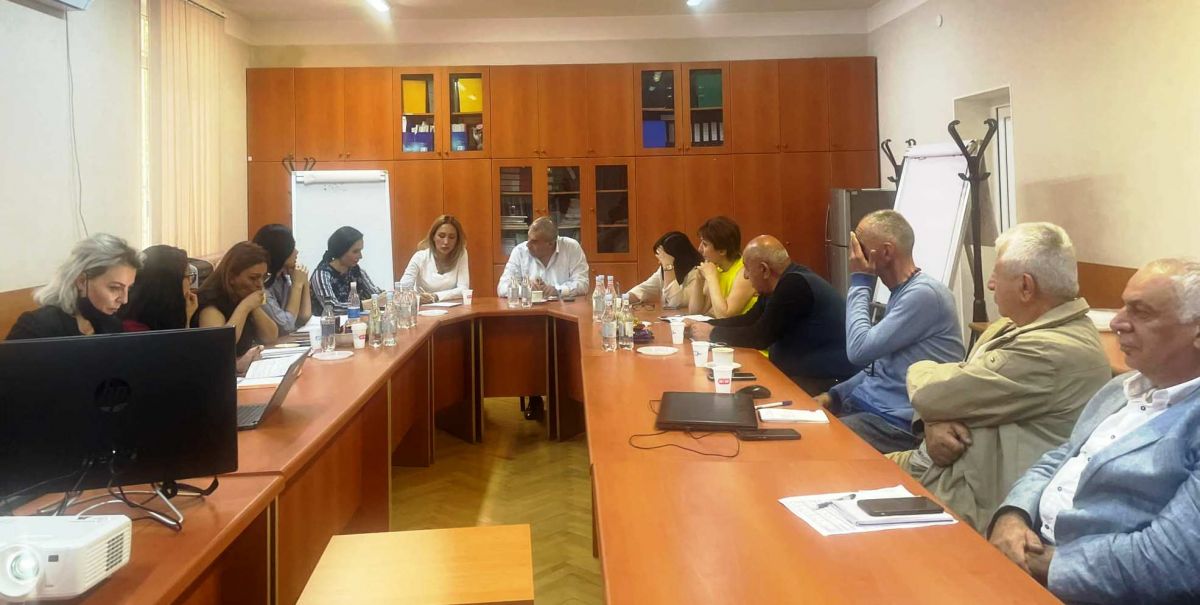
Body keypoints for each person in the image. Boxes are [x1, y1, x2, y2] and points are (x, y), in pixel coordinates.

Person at [987, 258, 1200, 603]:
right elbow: (1062, 457)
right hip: (1029, 556)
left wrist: (1044, 564)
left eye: (1141, 312)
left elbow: (1171, 560)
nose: (1117, 322)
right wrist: (1013, 515)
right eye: (1123, 306)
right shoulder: (1121, 388)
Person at [886, 223, 1111, 532]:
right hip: (946, 472)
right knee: (843, 472)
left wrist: (924, 380)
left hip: (969, 500)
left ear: (1026, 287)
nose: (990, 284)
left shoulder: (1049, 351)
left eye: (997, 274)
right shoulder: (1011, 326)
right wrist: (932, 421)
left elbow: (933, 393)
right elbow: (949, 394)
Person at [815, 210, 964, 453]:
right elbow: (881, 367)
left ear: (886, 252)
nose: (854, 255)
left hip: (893, 424)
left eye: (860, 247)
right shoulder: (901, 293)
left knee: (812, 446)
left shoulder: (925, 295)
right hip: (867, 410)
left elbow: (858, 351)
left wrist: (860, 280)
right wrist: (834, 396)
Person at [687, 236, 856, 393]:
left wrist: (712, 333)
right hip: (802, 374)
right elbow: (749, 320)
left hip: (827, 380)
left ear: (764, 270)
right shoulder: (776, 285)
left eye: (747, 268)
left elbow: (760, 336)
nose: (745, 275)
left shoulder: (794, 286)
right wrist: (706, 325)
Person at [7, 233, 140, 340]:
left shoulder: (113, 326)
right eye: (114, 288)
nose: (124, 300)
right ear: (81, 281)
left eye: (128, 288)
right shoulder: (36, 327)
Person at [194, 241, 277, 355]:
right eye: (253, 278)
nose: (260, 284)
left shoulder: (242, 295)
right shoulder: (211, 302)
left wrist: (254, 307)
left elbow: (270, 337)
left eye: (263, 277)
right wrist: (245, 307)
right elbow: (220, 346)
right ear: (231, 277)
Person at [497, 217, 590, 299]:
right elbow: (502, 288)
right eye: (528, 238)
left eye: (534, 241)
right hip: (530, 310)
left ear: (550, 244)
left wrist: (558, 290)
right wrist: (526, 289)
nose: (528, 244)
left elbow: (583, 284)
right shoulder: (520, 251)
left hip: (564, 309)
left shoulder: (571, 248)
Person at [689, 216, 757, 319]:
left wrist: (711, 278)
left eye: (705, 244)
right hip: (726, 328)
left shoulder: (745, 272)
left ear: (722, 251)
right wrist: (699, 281)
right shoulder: (717, 268)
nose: (699, 249)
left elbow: (725, 315)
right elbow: (695, 313)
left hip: (746, 328)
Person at [121, 245, 198, 332]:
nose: (190, 281)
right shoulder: (134, 329)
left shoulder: (166, 314)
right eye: (188, 275)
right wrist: (186, 320)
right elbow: (178, 341)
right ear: (170, 283)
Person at [627, 231, 707, 313]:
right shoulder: (666, 269)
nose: (659, 262)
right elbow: (643, 290)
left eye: (663, 259)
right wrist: (623, 299)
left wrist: (668, 266)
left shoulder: (699, 272)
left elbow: (674, 303)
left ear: (678, 257)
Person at [253, 224, 312, 335]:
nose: (296, 252)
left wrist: (303, 281)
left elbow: (303, 317)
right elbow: (286, 326)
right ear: (280, 251)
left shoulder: (281, 278)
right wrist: (297, 285)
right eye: (291, 248)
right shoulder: (262, 284)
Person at [310, 226, 384, 313]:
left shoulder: (357, 271)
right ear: (341, 251)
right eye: (355, 251)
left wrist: (386, 297)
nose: (360, 256)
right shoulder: (322, 274)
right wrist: (366, 304)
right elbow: (332, 308)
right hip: (328, 321)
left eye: (360, 251)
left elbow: (375, 294)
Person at [399, 215, 470, 303]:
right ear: (433, 236)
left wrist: (435, 296)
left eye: (452, 237)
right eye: (441, 236)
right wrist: (416, 297)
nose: (446, 242)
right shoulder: (420, 257)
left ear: (457, 240)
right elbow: (403, 288)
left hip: (453, 308)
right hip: (424, 308)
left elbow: (464, 289)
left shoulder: (461, 254)